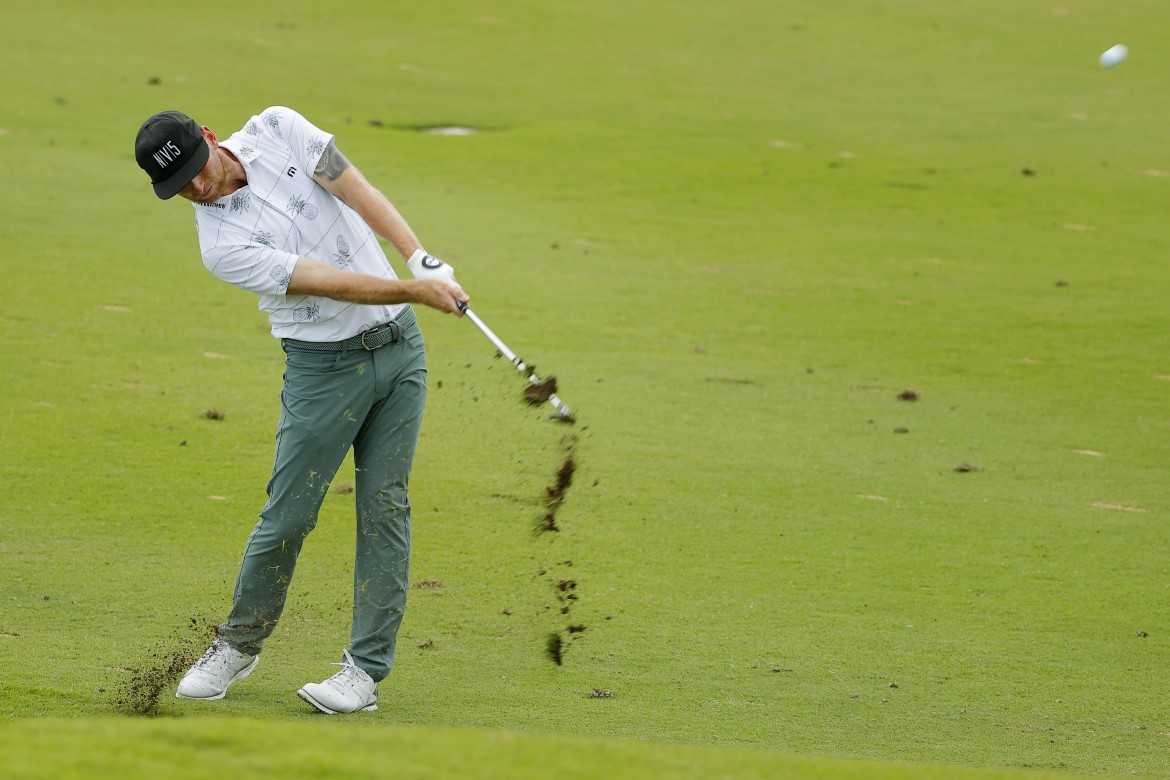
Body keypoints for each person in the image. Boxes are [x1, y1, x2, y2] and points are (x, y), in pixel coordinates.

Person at [133, 107, 468, 714]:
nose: (196, 189)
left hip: (400, 350)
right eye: (178, 187)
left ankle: (363, 673)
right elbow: (326, 281)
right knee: (288, 515)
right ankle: (238, 644)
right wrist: (414, 289)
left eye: (195, 170)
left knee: (384, 505)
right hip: (324, 370)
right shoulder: (221, 246)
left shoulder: (277, 128)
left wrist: (415, 254)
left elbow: (352, 185)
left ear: (209, 138)